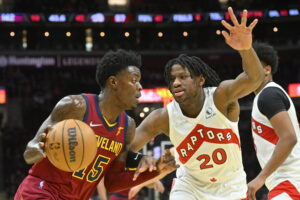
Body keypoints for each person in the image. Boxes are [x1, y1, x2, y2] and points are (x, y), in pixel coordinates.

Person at [130, 7, 264, 200]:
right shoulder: (163, 117)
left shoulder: (220, 97)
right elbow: (126, 148)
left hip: (231, 188)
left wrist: (245, 49)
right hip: (190, 187)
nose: (176, 82)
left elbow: (255, 79)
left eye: (183, 77)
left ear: (201, 80)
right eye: (172, 79)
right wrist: (141, 161)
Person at [14, 49, 177, 200]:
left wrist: (156, 169)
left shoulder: (128, 127)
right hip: (42, 191)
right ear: (113, 82)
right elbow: (30, 152)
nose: (140, 87)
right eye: (134, 80)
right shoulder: (75, 106)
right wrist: (41, 148)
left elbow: (112, 182)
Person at [247, 42, 300, 200]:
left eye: (252, 66)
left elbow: (289, 138)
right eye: (245, 67)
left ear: (267, 69)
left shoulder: (268, 95)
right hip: (285, 181)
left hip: (289, 181)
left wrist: (261, 177)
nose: (247, 72)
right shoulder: (265, 95)